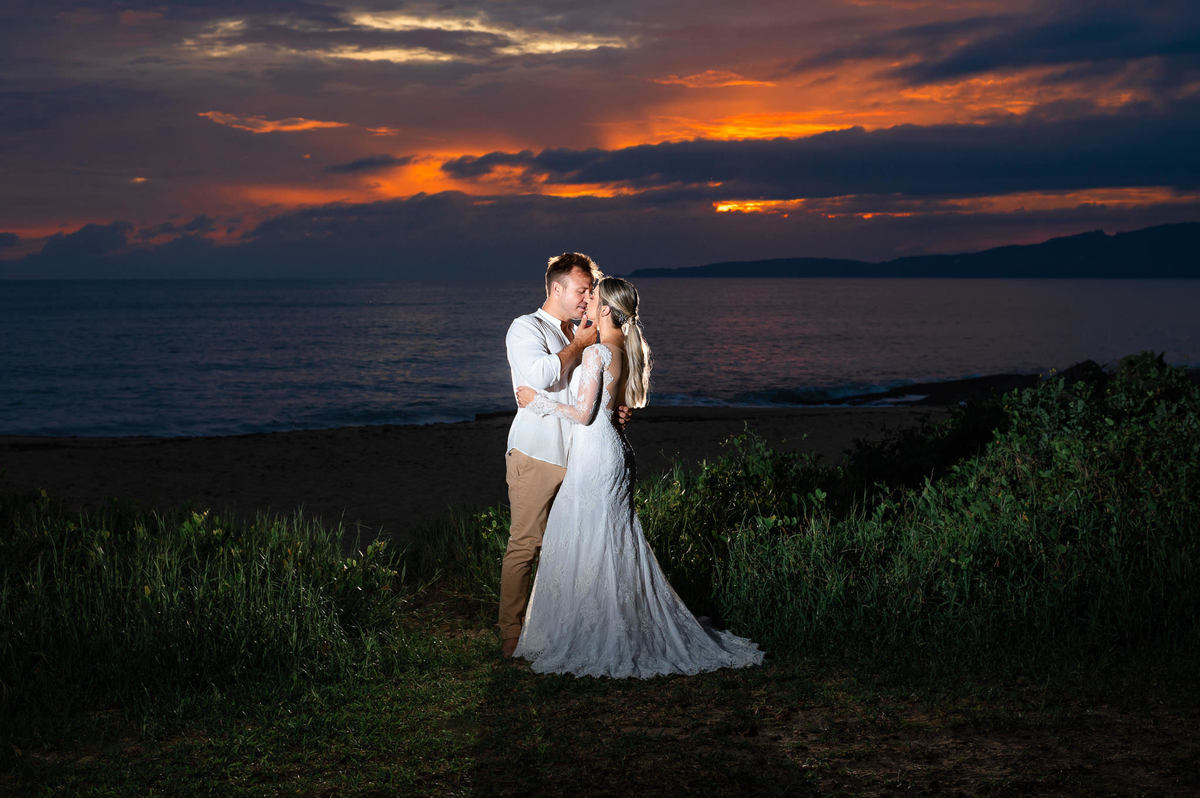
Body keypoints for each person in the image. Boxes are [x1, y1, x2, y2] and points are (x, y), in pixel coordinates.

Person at [512, 277, 763, 678]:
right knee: (609, 537)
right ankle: (609, 621)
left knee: (590, 535)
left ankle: (592, 632)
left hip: (595, 454)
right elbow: (607, 407)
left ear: (606, 310)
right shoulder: (621, 349)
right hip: (612, 451)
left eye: (592, 297)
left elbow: (582, 414)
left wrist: (536, 402)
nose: (587, 301)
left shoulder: (596, 354)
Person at [499, 252, 608, 658]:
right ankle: (511, 634)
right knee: (526, 544)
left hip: (581, 453)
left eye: (591, 291)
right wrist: (578, 345)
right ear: (556, 288)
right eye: (582, 290)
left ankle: (562, 626)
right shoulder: (525, 328)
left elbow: (588, 390)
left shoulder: (582, 329)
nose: (587, 298)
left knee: (571, 546)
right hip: (537, 452)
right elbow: (540, 377)